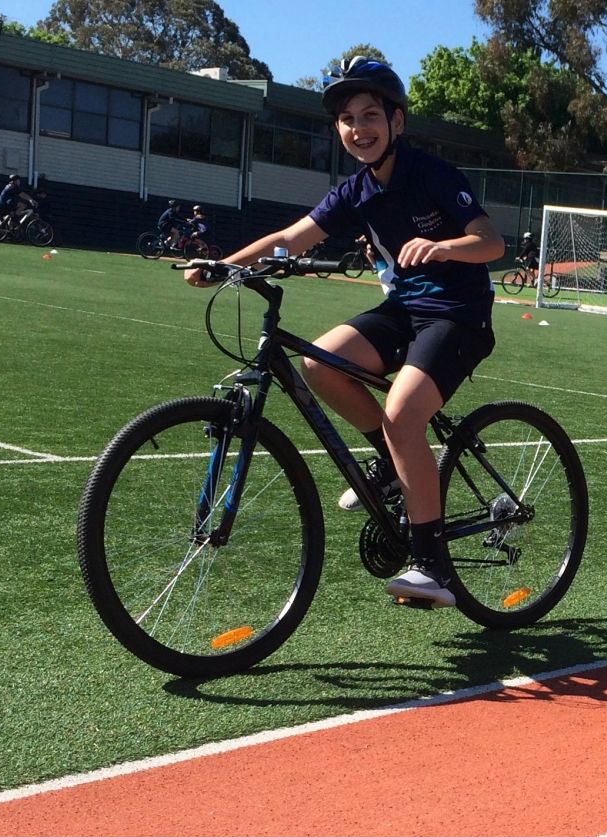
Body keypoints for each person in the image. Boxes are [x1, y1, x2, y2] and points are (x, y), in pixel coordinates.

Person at [183, 56, 505, 608]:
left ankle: (433, 566)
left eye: (371, 114)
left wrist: (445, 246)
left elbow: (492, 242)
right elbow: (292, 236)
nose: (360, 128)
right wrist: (226, 265)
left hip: (459, 314)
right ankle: (389, 465)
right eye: (348, 119)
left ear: (397, 122)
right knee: (318, 362)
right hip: (405, 309)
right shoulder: (354, 191)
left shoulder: (432, 174)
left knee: (405, 414)